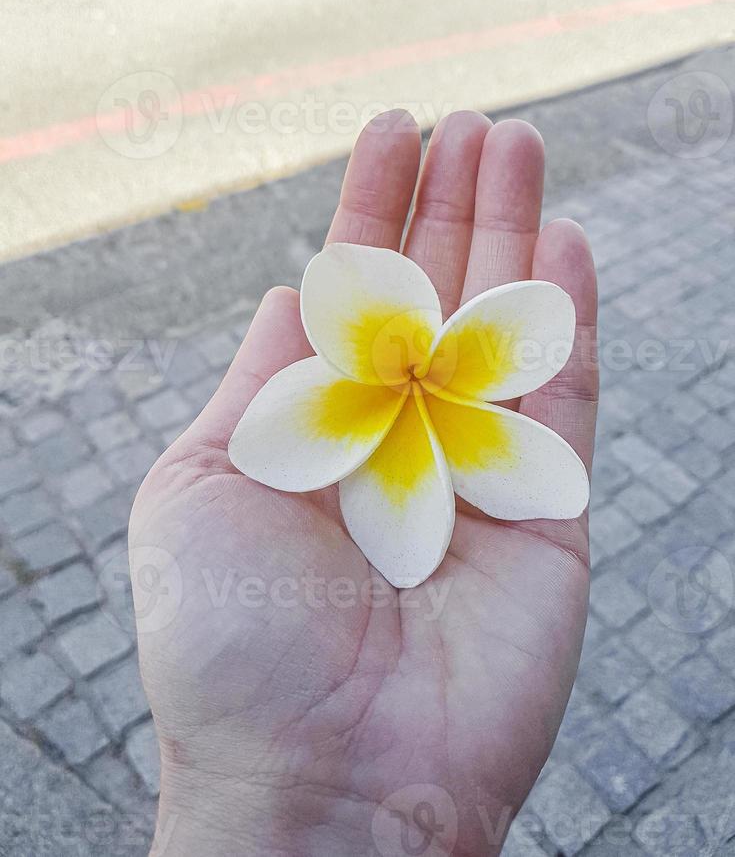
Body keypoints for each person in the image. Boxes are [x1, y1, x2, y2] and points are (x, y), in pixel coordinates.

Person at [131, 109, 598, 856]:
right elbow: (290, 415)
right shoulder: (322, 402)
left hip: (436, 408)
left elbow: (537, 334)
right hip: (399, 411)